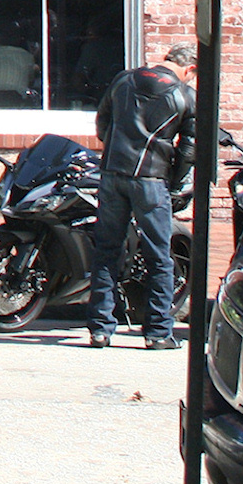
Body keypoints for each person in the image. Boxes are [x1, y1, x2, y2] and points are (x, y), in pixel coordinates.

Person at [87, 41, 196, 350]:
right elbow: (189, 150)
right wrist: (173, 181)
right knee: (159, 256)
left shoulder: (125, 79)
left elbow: (102, 122)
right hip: (151, 179)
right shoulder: (185, 95)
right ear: (189, 69)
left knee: (107, 250)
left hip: (112, 173)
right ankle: (158, 332)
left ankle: (100, 329)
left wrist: (115, 150)